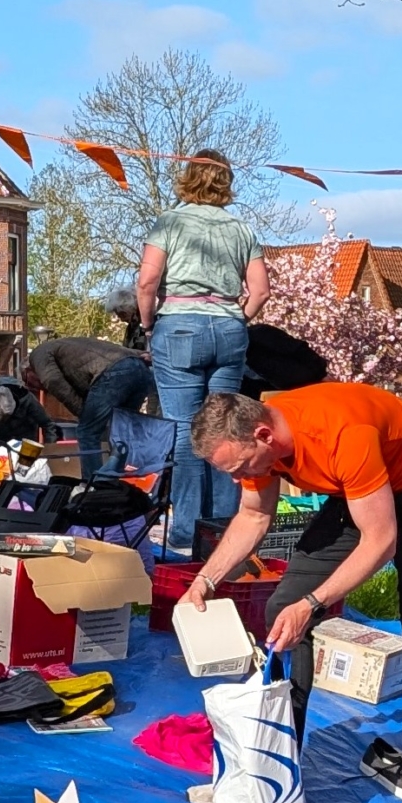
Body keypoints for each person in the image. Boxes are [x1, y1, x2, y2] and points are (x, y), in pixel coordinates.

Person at [183, 387, 402, 803]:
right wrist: (207, 579)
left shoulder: (343, 436)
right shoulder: (262, 437)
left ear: (263, 436)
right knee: (280, 614)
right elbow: (255, 515)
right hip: (358, 496)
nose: (240, 479)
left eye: (240, 469)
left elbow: (381, 541)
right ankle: (271, 771)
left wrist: (313, 603)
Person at [137, 149, 267, 538]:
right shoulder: (241, 229)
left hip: (178, 326)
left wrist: (147, 325)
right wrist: (235, 320)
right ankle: (226, 529)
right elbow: (260, 291)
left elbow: (146, 283)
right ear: (226, 182)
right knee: (228, 426)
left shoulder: (170, 223)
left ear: (189, 176)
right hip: (228, 327)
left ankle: (186, 533)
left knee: (186, 429)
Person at [27, 330, 155, 477]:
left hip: (113, 374)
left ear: (28, 369)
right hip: (139, 371)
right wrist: (139, 354)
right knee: (122, 431)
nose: (33, 387)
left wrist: (82, 412)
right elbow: (107, 348)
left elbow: (52, 381)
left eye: (28, 382)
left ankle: (93, 485)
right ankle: (120, 482)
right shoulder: (66, 345)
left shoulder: (37, 354)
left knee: (87, 432)